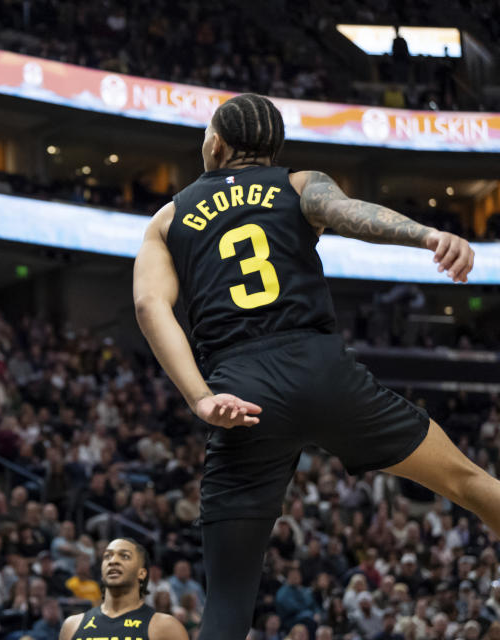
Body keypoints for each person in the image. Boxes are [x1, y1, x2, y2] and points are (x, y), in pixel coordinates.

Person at [132, 93, 486, 640]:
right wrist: (427, 235)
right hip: (322, 370)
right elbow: (347, 214)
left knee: (228, 604)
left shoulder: (169, 217)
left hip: (242, 391)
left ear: (216, 143)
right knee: (466, 481)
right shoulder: (297, 184)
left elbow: (149, 307)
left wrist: (201, 398)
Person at [59, 538, 188, 640]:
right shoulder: (72, 625)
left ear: (141, 573)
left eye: (125, 556)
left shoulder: (166, 626)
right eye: (107, 556)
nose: (113, 561)